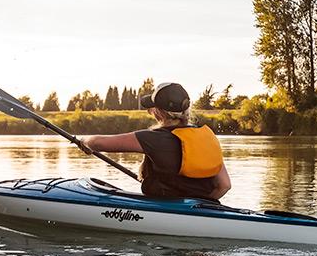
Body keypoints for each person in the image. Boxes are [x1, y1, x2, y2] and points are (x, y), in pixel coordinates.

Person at [78, 82, 231, 201]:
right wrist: (198, 207)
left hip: (164, 211)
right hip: (201, 210)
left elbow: (98, 143)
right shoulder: (206, 137)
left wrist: (85, 141)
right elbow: (224, 185)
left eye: (152, 108)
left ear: (159, 111)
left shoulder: (153, 138)